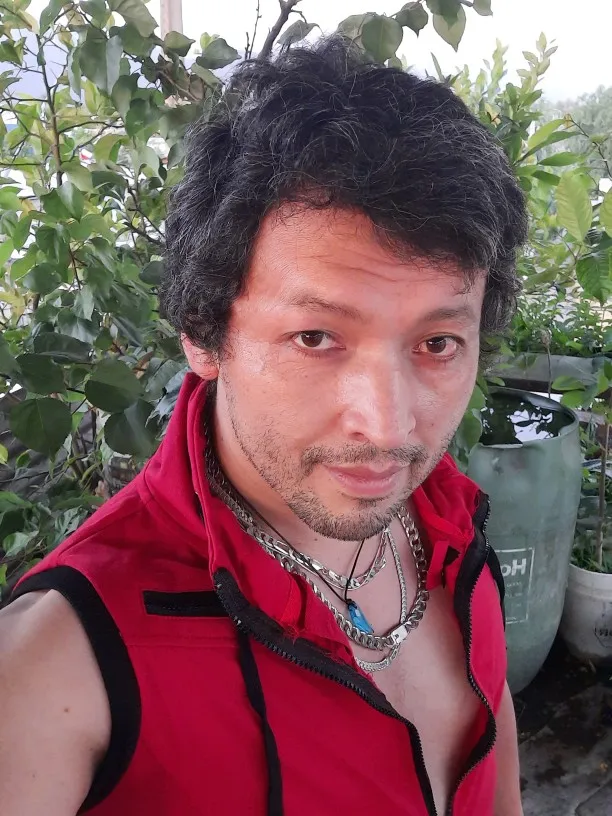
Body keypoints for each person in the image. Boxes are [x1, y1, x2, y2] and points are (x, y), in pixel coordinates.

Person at [0, 37, 527, 816]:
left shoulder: (454, 531)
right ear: (203, 333)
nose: (388, 423)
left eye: (438, 343)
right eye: (316, 338)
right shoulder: (58, 664)